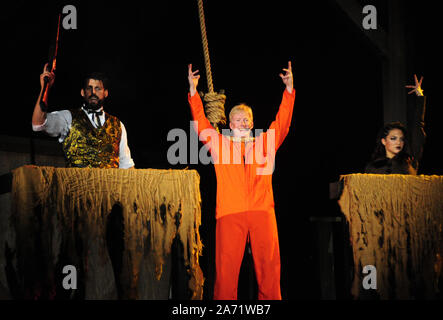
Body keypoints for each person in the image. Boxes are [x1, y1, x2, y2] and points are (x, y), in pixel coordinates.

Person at [187, 61, 295, 300]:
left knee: (269, 270)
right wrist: (194, 92)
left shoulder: (265, 143)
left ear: (252, 123)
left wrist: (288, 91)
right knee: (225, 273)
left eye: (247, 119)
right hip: (230, 213)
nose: (243, 122)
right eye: (237, 119)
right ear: (230, 123)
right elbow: (201, 124)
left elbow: (283, 122)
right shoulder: (219, 145)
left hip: (262, 212)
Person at [31, 64, 135, 169]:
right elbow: (38, 124)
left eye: (98, 88)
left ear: (106, 93)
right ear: (82, 92)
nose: (93, 92)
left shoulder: (118, 125)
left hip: (110, 185)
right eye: (89, 88)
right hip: (76, 184)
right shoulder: (69, 117)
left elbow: (126, 165)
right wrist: (45, 88)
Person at [365, 75, 426, 175]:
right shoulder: (373, 167)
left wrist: (420, 96)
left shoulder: (409, 160)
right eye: (393, 138)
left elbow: (418, 127)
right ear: (384, 141)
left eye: (401, 139)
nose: (398, 142)